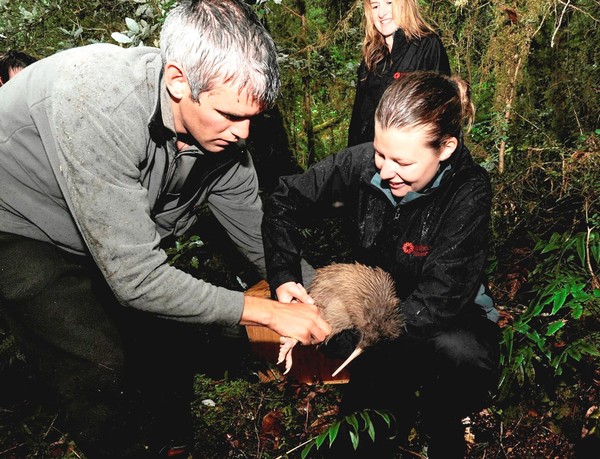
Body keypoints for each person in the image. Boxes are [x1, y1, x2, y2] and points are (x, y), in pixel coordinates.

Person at [0, 1, 330, 458]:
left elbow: (258, 235)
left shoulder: (225, 149)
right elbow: (137, 280)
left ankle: (172, 445)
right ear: (178, 82)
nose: (244, 134)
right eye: (231, 116)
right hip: (20, 222)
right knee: (98, 364)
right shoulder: (99, 103)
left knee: (168, 337)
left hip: (106, 229)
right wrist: (269, 313)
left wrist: (320, 295)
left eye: (254, 117)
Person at [262, 71, 500, 458]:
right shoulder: (361, 165)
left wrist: (359, 340)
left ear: (446, 148)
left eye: (402, 161)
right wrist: (285, 276)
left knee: (461, 355)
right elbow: (283, 200)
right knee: (359, 441)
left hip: (443, 322)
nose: (386, 171)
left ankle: (444, 418)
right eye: (380, 153)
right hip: (378, 313)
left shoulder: (468, 190)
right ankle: (396, 409)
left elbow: (439, 300)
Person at [347, 0, 451, 147]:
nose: (382, 13)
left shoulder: (428, 46)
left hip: (410, 157)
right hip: (370, 156)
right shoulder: (371, 57)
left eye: (389, 3)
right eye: (375, 6)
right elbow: (358, 118)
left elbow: (443, 111)